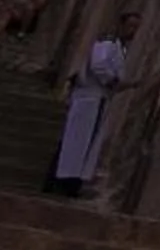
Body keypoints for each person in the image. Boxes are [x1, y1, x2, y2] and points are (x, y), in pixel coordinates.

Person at [49, 13, 139, 197]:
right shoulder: (107, 43)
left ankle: (71, 182)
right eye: (131, 26)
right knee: (77, 141)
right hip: (90, 98)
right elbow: (99, 67)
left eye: (136, 27)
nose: (133, 31)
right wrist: (114, 82)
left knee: (85, 144)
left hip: (99, 98)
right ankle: (63, 182)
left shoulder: (120, 48)